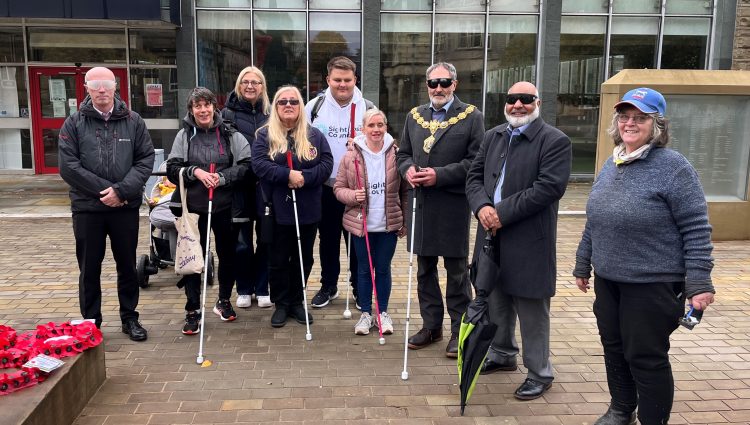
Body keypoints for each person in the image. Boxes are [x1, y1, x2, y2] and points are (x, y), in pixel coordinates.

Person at [573, 88, 715, 425]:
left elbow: (696, 228)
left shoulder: (673, 167)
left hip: (652, 283)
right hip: (609, 280)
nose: (630, 123)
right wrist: (583, 261)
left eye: (641, 117)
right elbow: (597, 217)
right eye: (625, 116)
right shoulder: (613, 161)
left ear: (658, 125)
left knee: (645, 357)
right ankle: (622, 409)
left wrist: (699, 282)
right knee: (614, 347)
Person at [466, 81, 572, 400]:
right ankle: (502, 353)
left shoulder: (554, 140)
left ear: (537, 102)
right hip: (491, 235)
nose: (518, 105)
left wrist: (501, 212)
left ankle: (540, 372)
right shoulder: (493, 136)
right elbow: (474, 177)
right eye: (512, 99)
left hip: (528, 239)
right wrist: (482, 207)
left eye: (525, 99)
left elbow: (548, 187)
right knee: (495, 297)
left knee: (530, 308)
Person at [58, 66, 154, 341]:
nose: (101, 89)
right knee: (89, 268)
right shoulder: (74, 123)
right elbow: (68, 167)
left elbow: (145, 159)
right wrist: (106, 191)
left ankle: (129, 317)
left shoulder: (133, 121)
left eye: (106, 84)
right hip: (88, 209)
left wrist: (122, 192)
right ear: (86, 88)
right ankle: (91, 322)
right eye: (95, 84)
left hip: (124, 207)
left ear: (115, 87)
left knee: (126, 265)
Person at [397, 62, 484, 358]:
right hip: (421, 205)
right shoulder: (414, 116)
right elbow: (403, 153)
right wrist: (407, 170)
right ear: (427, 85)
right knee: (424, 269)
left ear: (455, 84)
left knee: (457, 272)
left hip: (452, 204)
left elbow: (475, 162)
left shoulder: (472, 117)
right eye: (433, 83)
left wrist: (439, 175)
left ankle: (460, 329)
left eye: (444, 82)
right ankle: (431, 326)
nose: (438, 88)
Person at [167, 87, 251, 335]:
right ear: (191, 110)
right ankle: (193, 309)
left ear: (215, 107)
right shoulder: (184, 136)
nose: (203, 110)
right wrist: (196, 172)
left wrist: (222, 177)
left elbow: (246, 167)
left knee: (229, 255)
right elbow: (173, 169)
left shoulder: (230, 134)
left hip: (225, 207)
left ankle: (224, 300)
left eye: (207, 105)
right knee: (193, 258)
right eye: (197, 106)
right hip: (194, 209)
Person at [252, 86, 333, 328]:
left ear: (300, 107)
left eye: (294, 102)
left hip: (307, 209)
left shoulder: (315, 136)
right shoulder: (263, 135)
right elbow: (259, 164)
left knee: (303, 257)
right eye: (282, 101)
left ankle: (297, 301)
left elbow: (327, 164)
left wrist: (304, 178)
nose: (288, 105)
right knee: (277, 259)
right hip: (275, 210)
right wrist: (287, 175)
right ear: (275, 106)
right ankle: (281, 303)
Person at [305, 56, 374, 309]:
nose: (342, 85)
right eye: (337, 80)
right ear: (328, 80)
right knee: (328, 239)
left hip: (356, 188)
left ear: (355, 79)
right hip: (325, 186)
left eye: (347, 80)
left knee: (356, 240)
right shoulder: (314, 107)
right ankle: (328, 285)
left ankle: (359, 287)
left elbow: (379, 141)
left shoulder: (367, 107)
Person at [334, 109, 406, 335]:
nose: (376, 129)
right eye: (371, 125)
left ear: (386, 127)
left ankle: (382, 312)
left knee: (383, 269)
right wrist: (352, 196)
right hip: (361, 225)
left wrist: (405, 221)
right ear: (363, 129)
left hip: (387, 224)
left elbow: (406, 190)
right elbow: (338, 189)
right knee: (364, 270)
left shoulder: (397, 154)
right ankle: (365, 313)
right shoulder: (350, 156)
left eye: (380, 125)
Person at [221, 66, 272, 309]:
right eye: (245, 82)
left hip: (265, 187)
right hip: (238, 187)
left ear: (263, 87)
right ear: (239, 85)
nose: (250, 86)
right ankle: (243, 287)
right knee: (241, 242)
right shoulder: (226, 114)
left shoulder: (272, 114)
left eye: (255, 82)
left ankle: (262, 287)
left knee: (265, 239)